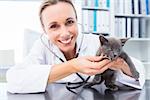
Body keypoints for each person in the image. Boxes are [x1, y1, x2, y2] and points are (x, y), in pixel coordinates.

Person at [6, 0, 145, 93]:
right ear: (44, 30)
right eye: (54, 26)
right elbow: (14, 79)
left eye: (69, 22)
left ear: (77, 21)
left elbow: (140, 73)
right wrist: (73, 66)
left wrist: (121, 65)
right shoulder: (41, 46)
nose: (65, 33)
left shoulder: (96, 42)